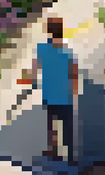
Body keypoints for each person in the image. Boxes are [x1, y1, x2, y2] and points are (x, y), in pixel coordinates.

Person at [21, 17, 79, 163]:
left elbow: (34, 70)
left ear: (48, 31)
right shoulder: (69, 51)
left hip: (49, 93)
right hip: (65, 95)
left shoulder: (42, 48)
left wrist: (27, 79)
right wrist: (75, 93)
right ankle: (70, 155)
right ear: (62, 30)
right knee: (67, 125)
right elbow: (74, 74)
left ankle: (53, 150)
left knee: (52, 123)